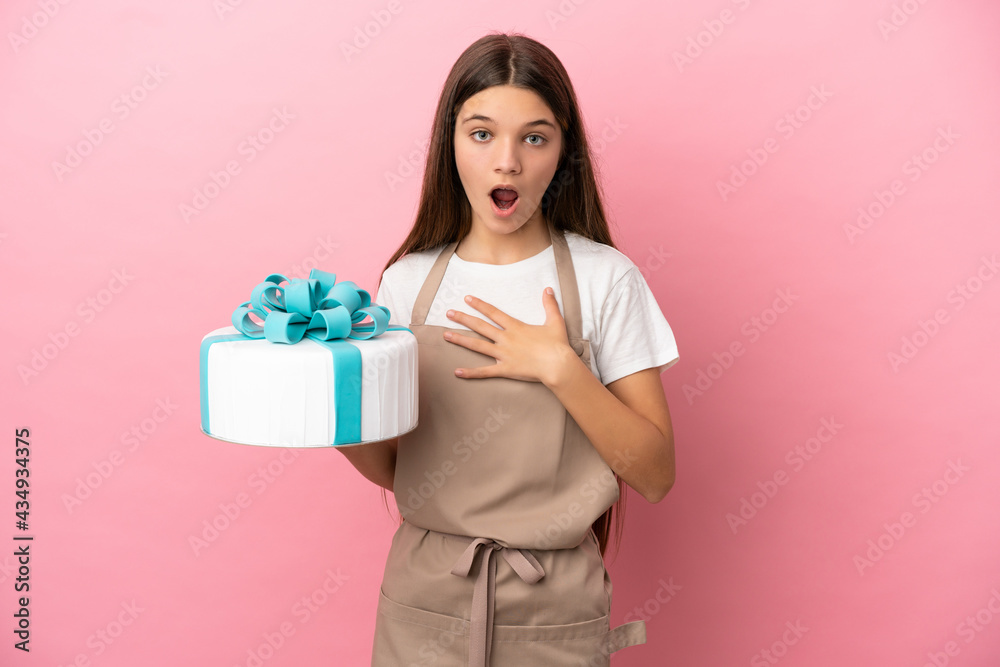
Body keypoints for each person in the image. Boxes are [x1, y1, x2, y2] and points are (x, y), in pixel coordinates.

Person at [338, 31, 679, 667]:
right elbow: (395, 469)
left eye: (535, 136)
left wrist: (560, 369)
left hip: (554, 610)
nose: (507, 163)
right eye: (482, 133)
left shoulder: (607, 279)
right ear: (451, 146)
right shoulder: (406, 282)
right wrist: (327, 405)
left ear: (562, 152)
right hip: (424, 603)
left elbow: (655, 475)